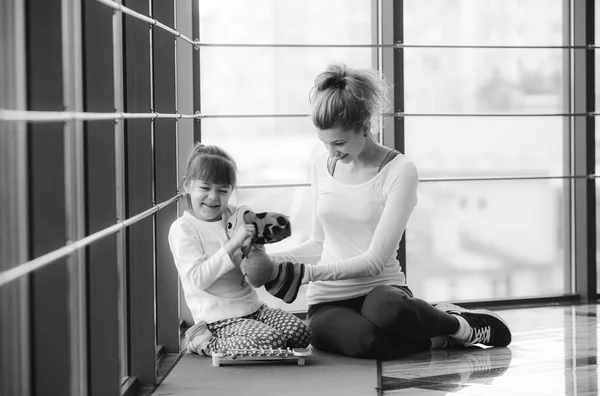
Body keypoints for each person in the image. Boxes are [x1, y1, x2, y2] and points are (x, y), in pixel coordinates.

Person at [261, 63, 512, 359]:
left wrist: (304, 274)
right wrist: (270, 261)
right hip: (328, 301)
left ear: (365, 127)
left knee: (387, 312)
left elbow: (374, 261)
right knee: (366, 342)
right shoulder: (321, 165)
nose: (331, 152)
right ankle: (441, 340)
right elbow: (319, 243)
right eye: (324, 143)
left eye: (339, 142)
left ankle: (462, 327)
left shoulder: (400, 171)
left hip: (382, 291)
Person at [168, 143, 311, 355]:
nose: (213, 197)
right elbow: (198, 278)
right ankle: (204, 342)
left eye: (222, 190)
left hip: (253, 307)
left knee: (301, 333)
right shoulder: (183, 228)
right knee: (270, 341)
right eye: (205, 188)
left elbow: (252, 251)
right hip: (218, 319)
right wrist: (235, 242)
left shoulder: (232, 215)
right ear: (187, 185)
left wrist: (260, 233)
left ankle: (258, 333)